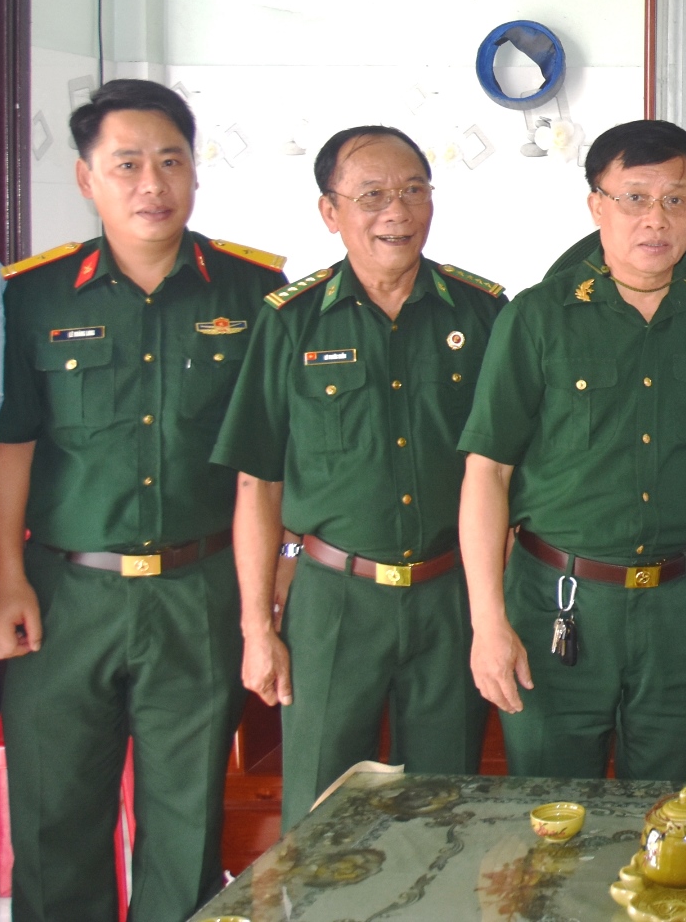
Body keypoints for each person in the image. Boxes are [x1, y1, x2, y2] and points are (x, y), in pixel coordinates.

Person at [0, 79, 286, 922]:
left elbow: (269, 459)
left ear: (195, 172)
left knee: (187, 819)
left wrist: (273, 577)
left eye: (170, 162)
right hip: (63, 592)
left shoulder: (252, 292)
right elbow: (13, 446)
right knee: (53, 818)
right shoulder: (35, 295)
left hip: (200, 591)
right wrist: (4, 577)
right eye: (127, 165)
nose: (151, 184)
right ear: (87, 179)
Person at [214, 125, 507, 829]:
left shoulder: (486, 312)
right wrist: (258, 625)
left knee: (445, 807)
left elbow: (508, 470)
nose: (396, 212)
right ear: (330, 211)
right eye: (371, 195)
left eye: (413, 191)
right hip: (333, 600)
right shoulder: (291, 322)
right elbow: (258, 484)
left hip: (449, 596)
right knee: (319, 808)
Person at [457, 120, 686, 782]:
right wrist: (488, 621)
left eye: (676, 199)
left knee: (675, 820)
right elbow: (488, 470)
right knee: (553, 817)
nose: (656, 219)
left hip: (682, 609)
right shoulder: (536, 319)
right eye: (634, 197)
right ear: (596, 204)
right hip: (556, 605)